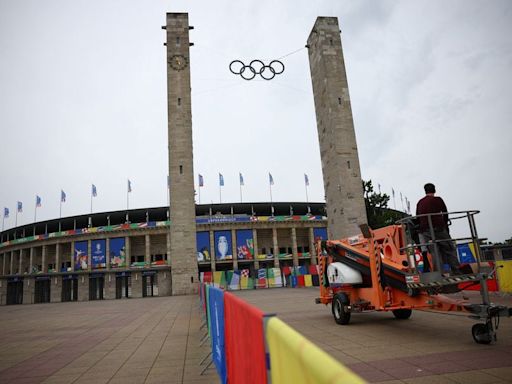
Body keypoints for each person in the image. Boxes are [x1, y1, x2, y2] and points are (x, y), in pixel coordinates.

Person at [416, 183, 461, 275]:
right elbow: (445, 213)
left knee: (434, 252)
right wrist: (445, 226)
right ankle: (456, 270)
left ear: (425, 191)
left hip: (426, 231)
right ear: (434, 190)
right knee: (449, 248)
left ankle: (439, 274)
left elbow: (418, 218)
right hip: (439, 229)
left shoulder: (420, 202)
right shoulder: (438, 200)